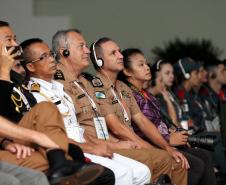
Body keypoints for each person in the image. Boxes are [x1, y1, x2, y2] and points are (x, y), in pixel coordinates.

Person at [21, 37, 148, 185]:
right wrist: (91, 148)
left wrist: (98, 144)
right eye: (44, 57)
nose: (51, 59)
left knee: (142, 172)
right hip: (68, 150)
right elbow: (54, 136)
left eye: (50, 54)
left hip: (85, 143)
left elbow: (77, 128)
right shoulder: (34, 94)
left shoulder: (59, 87)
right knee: (123, 174)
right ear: (30, 67)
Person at [0, 20, 104, 185]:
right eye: (9, 40)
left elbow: (28, 114)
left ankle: (60, 162)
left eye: (15, 38)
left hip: (22, 140)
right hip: (17, 139)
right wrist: (4, 72)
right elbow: (3, 113)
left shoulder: (17, 78)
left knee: (47, 110)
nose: (15, 44)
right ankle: (61, 161)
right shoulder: (8, 77)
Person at [90, 37, 188, 185]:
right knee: (164, 159)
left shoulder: (123, 86)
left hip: (133, 144)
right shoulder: (96, 87)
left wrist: (166, 147)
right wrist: (153, 149)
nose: (120, 55)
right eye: (113, 53)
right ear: (99, 61)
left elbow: (142, 120)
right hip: (117, 145)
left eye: (119, 51)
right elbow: (117, 128)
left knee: (178, 161)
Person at [119, 48, 217, 185]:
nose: (147, 68)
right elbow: (139, 128)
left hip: (163, 140)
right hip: (152, 144)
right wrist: (168, 140)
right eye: (141, 65)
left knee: (205, 155)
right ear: (127, 71)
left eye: (146, 64)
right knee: (195, 165)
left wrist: (173, 132)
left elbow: (159, 122)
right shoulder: (128, 93)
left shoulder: (144, 93)